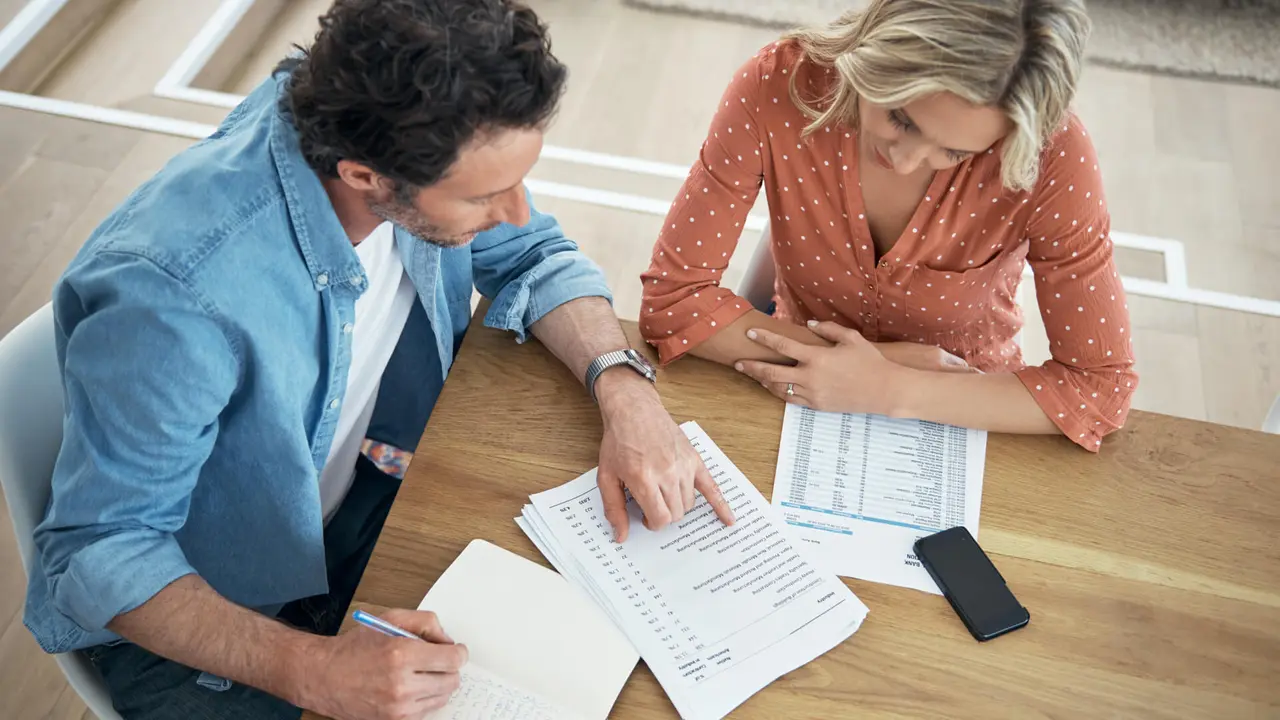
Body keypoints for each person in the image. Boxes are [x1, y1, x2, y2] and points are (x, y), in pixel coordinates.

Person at [23, 1, 733, 718]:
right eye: (487, 195)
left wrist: (627, 392)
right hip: (204, 621)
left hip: (342, 512)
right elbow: (97, 551)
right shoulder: (173, 301)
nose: (516, 210)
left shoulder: (382, 123)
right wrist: (314, 669)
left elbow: (534, 254)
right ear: (366, 176)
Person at [640, 0, 1138, 451]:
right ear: (879, 47)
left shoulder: (1054, 158)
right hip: (795, 395)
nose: (906, 161)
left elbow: (1100, 388)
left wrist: (891, 387)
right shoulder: (774, 88)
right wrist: (861, 368)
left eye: (955, 153)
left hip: (969, 412)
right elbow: (673, 302)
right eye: (901, 118)